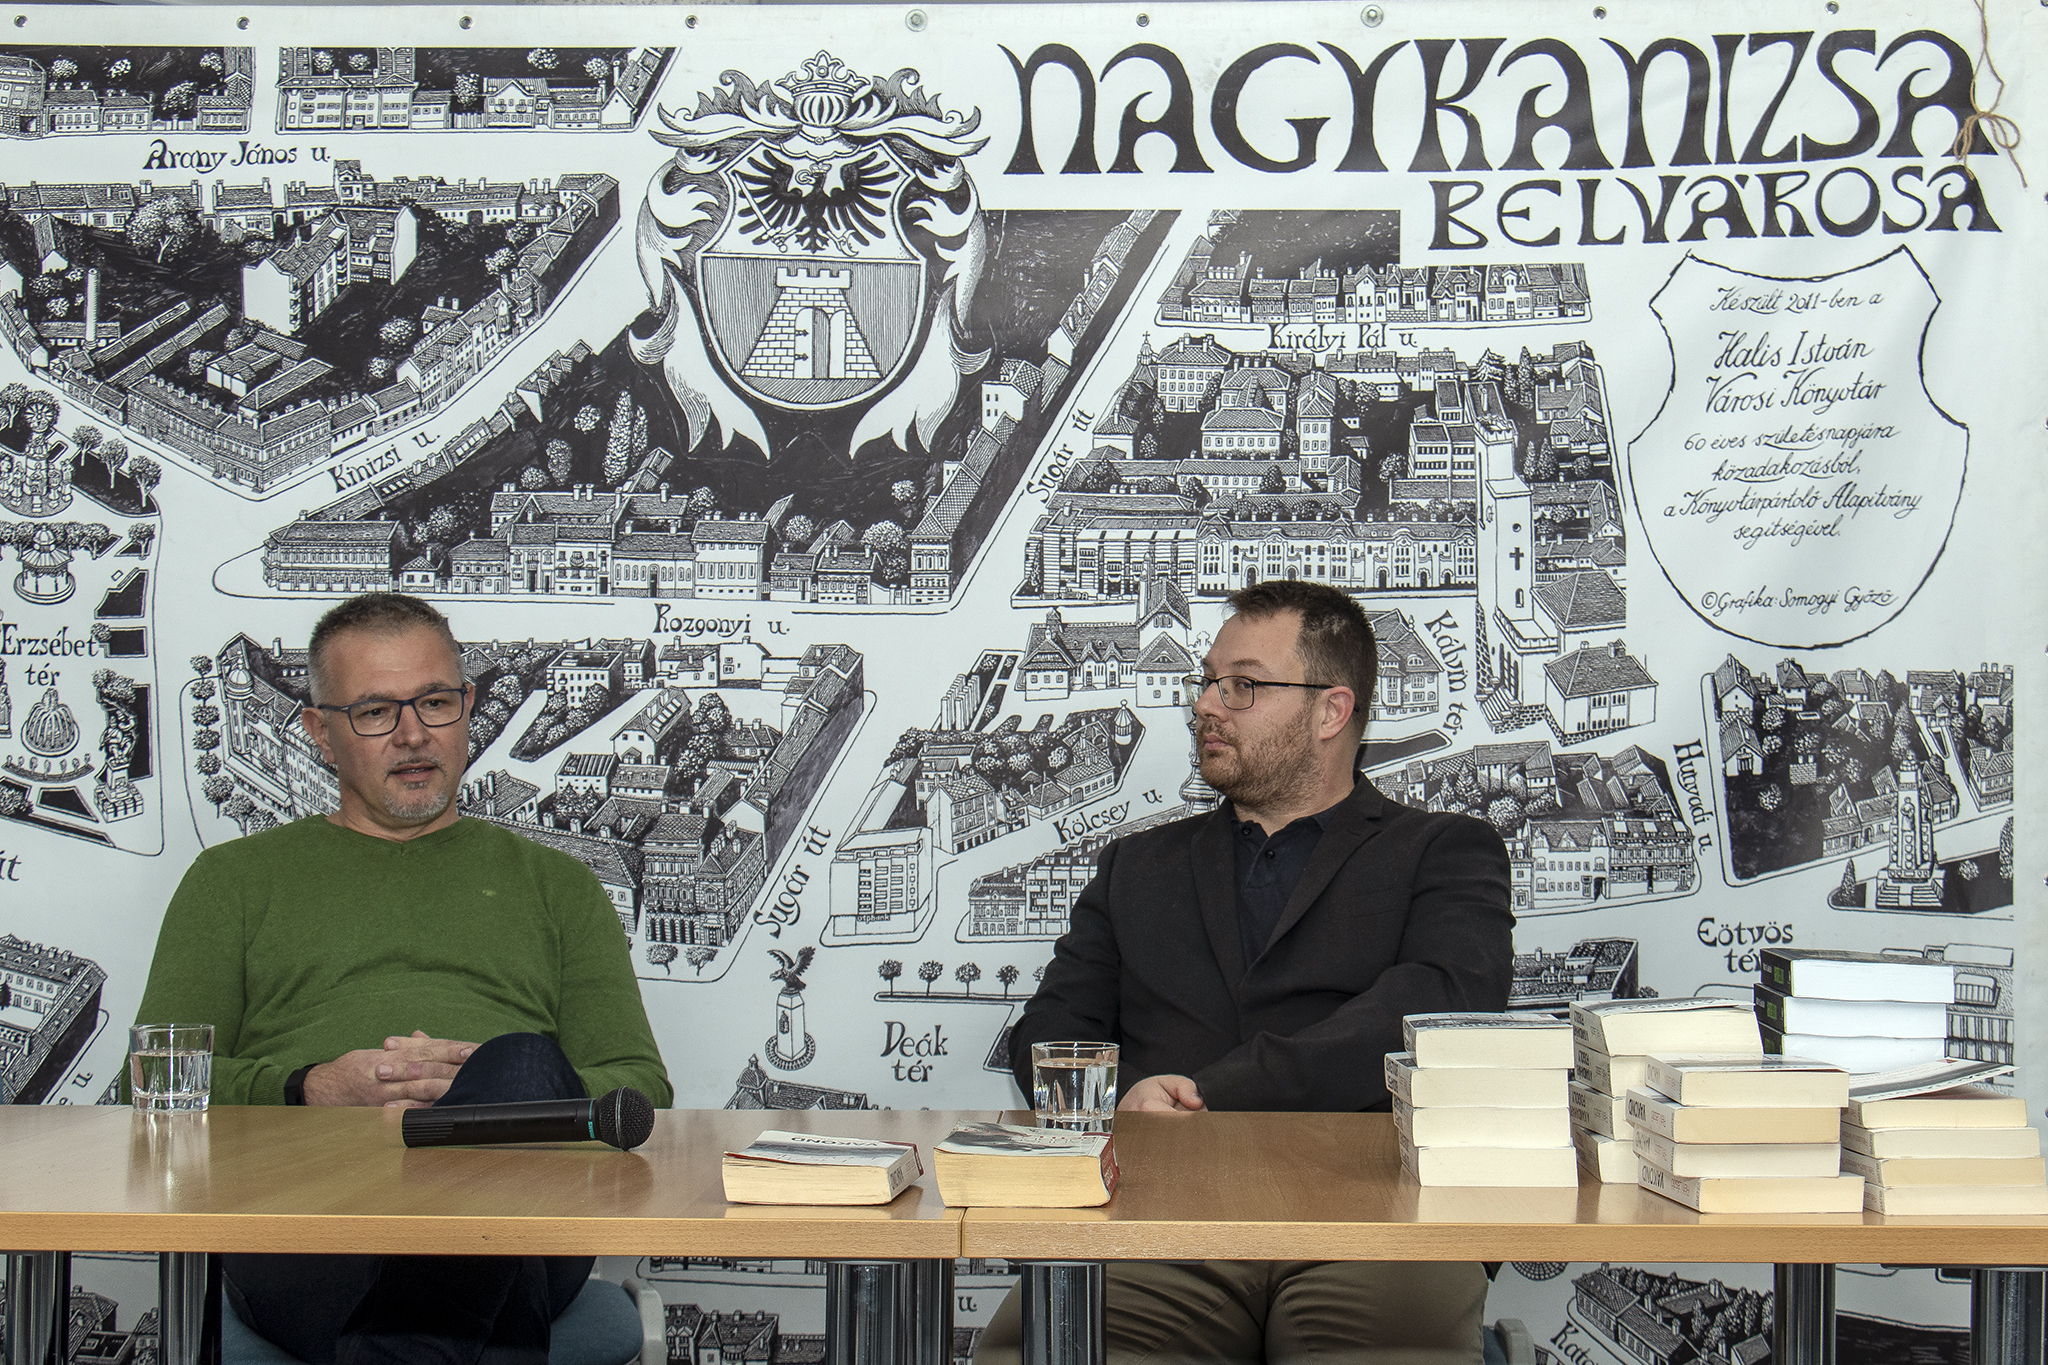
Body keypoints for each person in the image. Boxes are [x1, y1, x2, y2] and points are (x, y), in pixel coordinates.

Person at [979, 579, 1514, 1365]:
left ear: (1331, 711)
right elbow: (1049, 1034)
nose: (1206, 705)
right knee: (1038, 1350)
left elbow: (1439, 1009)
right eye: (1208, 682)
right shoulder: (1134, 866)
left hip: (1374, 1219)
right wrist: (1123, 1099)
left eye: (1243, 686)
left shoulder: (1445, 851)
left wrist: (1210, 1094)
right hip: (1158, 1223)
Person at [133, 592, 671, 1365]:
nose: (414, 733)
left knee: (520, 1062)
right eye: (376, 711)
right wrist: (309, 1087)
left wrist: (486, 1095)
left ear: (469, 708)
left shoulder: (561, 886)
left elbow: (639, 1086)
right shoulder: (230, 881)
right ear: (320, 731)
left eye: (435, 702)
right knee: (486, 1309)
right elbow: (154, 1085)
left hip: (521, 1217)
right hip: (307, 1227)